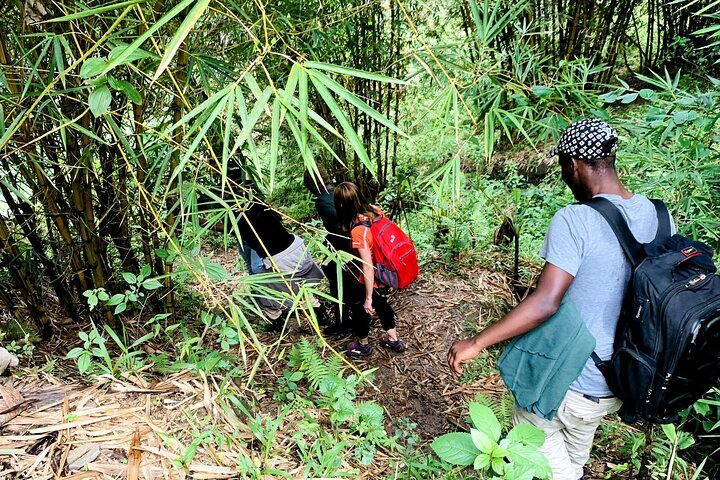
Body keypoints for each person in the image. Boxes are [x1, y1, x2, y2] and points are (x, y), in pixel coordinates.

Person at [447, 119, 674, 480]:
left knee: (540, 456)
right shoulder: (660, 215)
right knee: (574, 454)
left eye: (563, 168)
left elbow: (545, 302)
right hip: (621, 379)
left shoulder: (576, 219)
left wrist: (476, 342)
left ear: (573, 165)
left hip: (571, 379)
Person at [333, 181, 405, 356]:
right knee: (382, 304)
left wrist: (368, 297)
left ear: (342, 205)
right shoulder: (374, 211)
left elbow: (367, 265)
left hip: (369, 277)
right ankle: (394, 341)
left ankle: (363, 345)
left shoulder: (358, 231)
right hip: (384, 271)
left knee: (362, 310)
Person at [303, 166, 352, 336]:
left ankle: (343, 321)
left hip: (341, 248)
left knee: (336, 281)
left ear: (313, 185)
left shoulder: (322, 201)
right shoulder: (340, 190)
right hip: (354, 243)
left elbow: (340, 225)